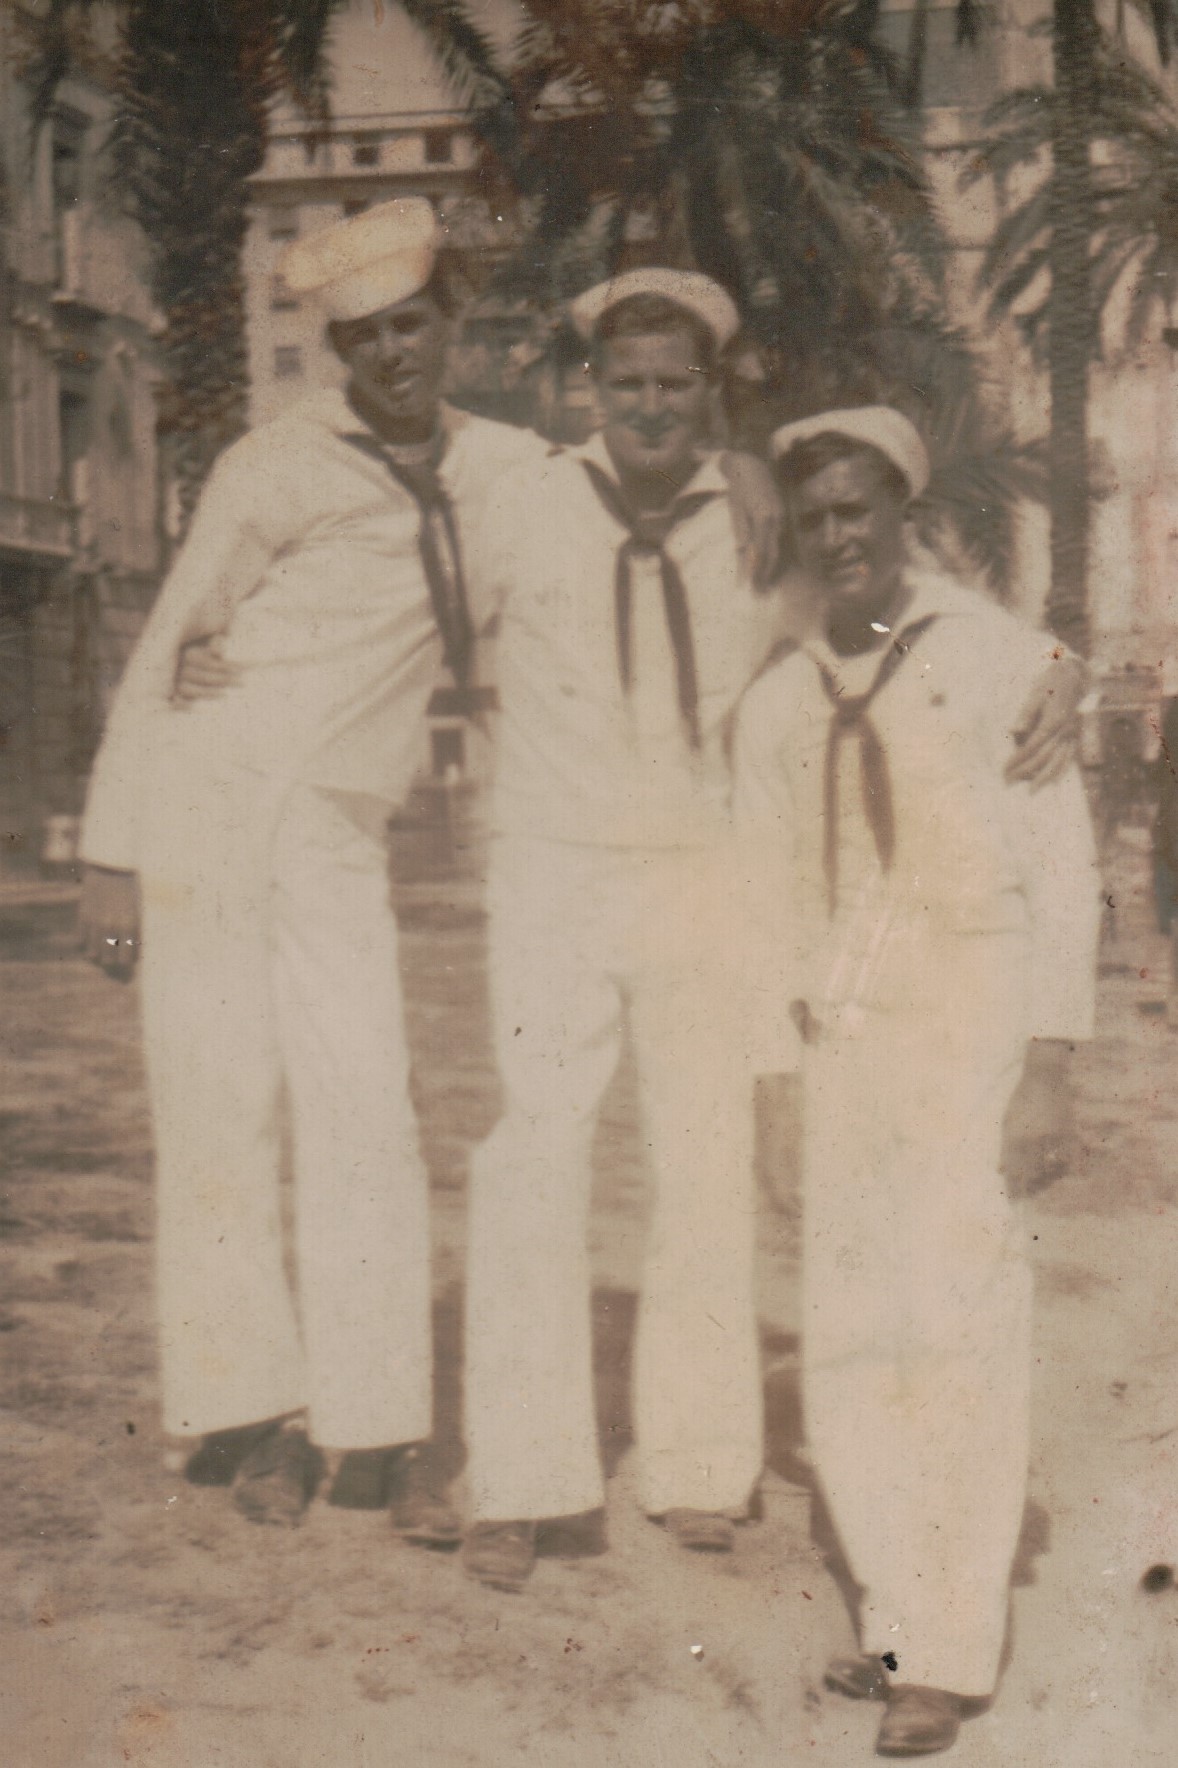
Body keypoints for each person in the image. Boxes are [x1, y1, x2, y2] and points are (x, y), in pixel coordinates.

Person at [456, 288, 1086, 1597]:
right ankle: (519, 1480)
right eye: (623, 383)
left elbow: (912, 599)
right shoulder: (518, 497)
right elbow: (402, 578)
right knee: (533, 1154)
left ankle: (698, 1462)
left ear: (710, 394)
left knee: (703, 1156)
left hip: (698, 872)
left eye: (674, 388)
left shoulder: (758, 527)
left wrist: (1058, 666)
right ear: (587, 386)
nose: (646, 406)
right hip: (551, 872)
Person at [76, 197, 559, 1534]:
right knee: (220, 1117)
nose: (395, 351)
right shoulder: (272, 464)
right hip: (204, 814)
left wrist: (741, 470)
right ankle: (250, 1415)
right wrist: (111, 864)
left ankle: (376, 1428)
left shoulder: (511, 468)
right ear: (338, 353)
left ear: (449, 322)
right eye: (365, 336)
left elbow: (621, 528)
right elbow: (173, 642)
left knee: (366, 1113)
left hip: (336, 835)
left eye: (413, 322)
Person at [733, 408, 1101, 1757]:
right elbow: (763, 911)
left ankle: (943, 1653)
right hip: (841, 1039)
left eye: (857, 511)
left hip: (971, 1021)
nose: (838, 538)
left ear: (902, 517)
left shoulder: (1002, 659)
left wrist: (1046, 1072)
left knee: (956, 1328)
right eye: (813, 516)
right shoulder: (777, 697)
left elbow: (1063, 874)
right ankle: (891, 1623)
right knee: (846, 1338)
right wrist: (774, 1089)